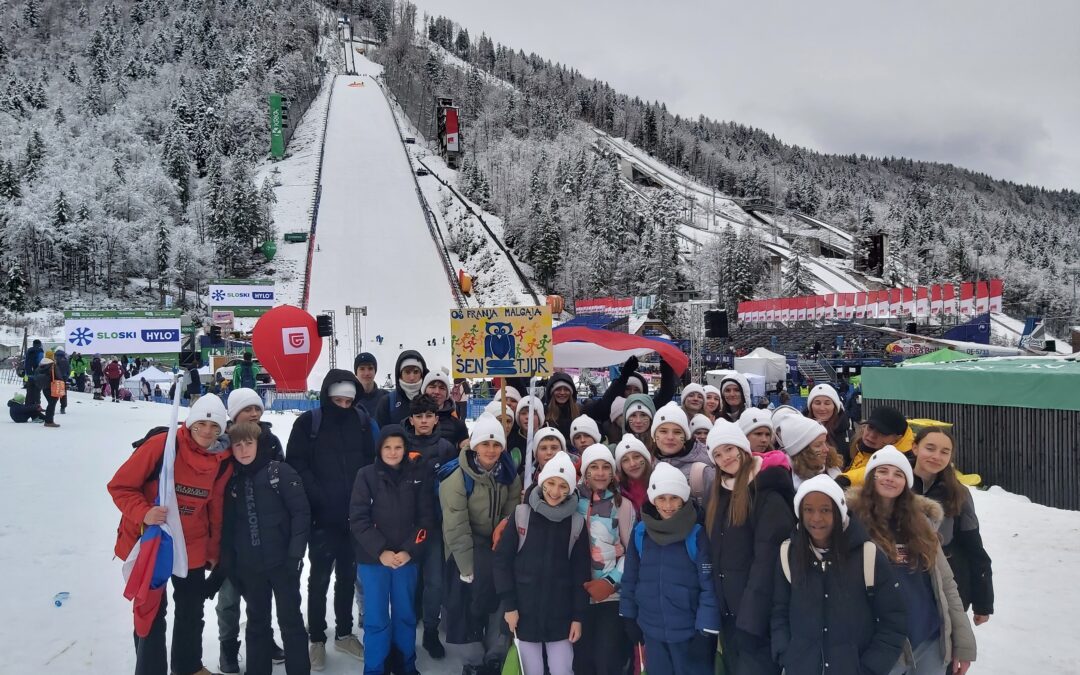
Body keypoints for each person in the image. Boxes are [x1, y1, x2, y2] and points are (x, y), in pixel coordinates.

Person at [108, 395, 233, 675]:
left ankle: (188, 666)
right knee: (151, 608)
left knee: (191, 608)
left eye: (215, 427)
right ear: (190, 423)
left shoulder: (222, 460)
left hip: (193, 544)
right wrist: (144, 512)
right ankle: (150, 668)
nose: (208, 432)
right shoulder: (162, 447)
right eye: (201, 423)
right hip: (153, 540)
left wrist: (213, 550)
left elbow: (215, 507)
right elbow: (120, 486)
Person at [848, 447, 977, 675]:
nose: (890, 478)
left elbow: (946, 584)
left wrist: (963, 644)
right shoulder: (851, 524)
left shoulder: (921, 524)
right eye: (882, 471)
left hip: (929, 641)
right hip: (881, 645)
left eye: (898, 474)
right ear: (870, 477)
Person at [286, 370, 379, 669]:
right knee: (319, 578)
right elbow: (296, 464)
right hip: (321, 517)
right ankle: (316, 638)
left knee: (348, 576)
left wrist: (363, 499)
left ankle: (344, 632)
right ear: (327, 396)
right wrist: (319, 496)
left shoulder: (362, 423)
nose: (342, 405)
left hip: (354, 516)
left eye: (347, 401)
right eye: (337, 399)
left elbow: (370, 463)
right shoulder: (308, 423)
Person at [771, 475, 908, 675]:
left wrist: (870, 668)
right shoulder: (788, 553)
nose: (816, 518)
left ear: (839, 511)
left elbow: (893, 620)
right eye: (808, 510)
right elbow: (779, 611)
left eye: (825, 510)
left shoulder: (867, 555)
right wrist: (786, 654)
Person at [704, 418, 795, 674]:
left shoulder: (767, 493)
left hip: (756, 620)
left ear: (743, 448)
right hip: (731, 616)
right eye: (718, 454)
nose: (725, 458)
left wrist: (751, 619)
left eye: (729, 449)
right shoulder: (719, 492)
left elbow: (767, 561)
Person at [220, 421, 311, 675]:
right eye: (238, 445)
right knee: (257, 623)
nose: (244, 450)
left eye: (249, 443)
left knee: (290, 621)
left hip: (283, 563)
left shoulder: (279, 472)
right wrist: (233, 564)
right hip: (251, 568)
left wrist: (295, 555)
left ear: (258, 444)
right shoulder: (233, 481)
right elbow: (230, 527)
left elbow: (301, 514)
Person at [350, 424, 436, 675]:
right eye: (387, 447)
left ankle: (406, 665)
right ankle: (375, 668)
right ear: (379, 448)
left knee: (405, 617)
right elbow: (358, 519)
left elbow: (426, 520)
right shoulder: (366, 475)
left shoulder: (417, 475)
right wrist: (381, 551)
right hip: (374, 560)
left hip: (406, 560)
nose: (393, 452)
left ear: (405, 448)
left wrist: (409, 550)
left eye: (398, 447)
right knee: (376, 620)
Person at [440, 413, 522, 674]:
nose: (491, 450)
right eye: (485, 444)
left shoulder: (508, 473)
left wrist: (504, 544)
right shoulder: (457, 477)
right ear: (474, 445)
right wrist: (466, 568)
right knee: (469, 601)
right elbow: (455, 525)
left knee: (501, 597)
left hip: (496, 546)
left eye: (496, 444)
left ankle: (496, 653)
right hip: (465, 546)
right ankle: (473, 658)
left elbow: (512, 513)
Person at [494, 451, 589, 675]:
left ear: (571, 489)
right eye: (551, 483)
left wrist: (578, 617)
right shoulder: (521, 515)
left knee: (562, 669)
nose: (555, 492)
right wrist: (509, 605)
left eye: (563, 486)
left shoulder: (576, 523)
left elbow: (580, 575)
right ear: (542, 481)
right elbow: (502, 562)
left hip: (561, 616)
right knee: (530, 670)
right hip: (524, 613)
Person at [620, 463, 720, 675]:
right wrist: (628, 615)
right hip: (652, 631)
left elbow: (709, 586)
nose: (668, 505)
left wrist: (706, 630)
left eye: (674, 498)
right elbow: (630, 578)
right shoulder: (641, 532)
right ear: (653, 500)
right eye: (662, 498)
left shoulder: (696, 533)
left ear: (684, 499)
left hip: (690, 633)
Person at [217, 389, 286, 673]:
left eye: (258, 408)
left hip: (260, 532)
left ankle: (263, 639)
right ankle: (228, 648)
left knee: (259, 595)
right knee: (229, 595)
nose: (255, 414)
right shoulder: (221, 444)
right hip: (228, 530)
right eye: (248, 410)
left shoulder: (270, 442)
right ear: (234, 415)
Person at [912, 428, 994, 625]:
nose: (936, 456)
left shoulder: (959, 493)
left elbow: (974, 548)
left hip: (948, 584)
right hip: (906, 581)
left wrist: (983, 602)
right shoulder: (895, 484)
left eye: (944, 452)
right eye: (930, 448)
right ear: (915, 448)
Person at [404, 395, 458, 660]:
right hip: (406, 527)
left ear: (437, 418)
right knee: (407, 582)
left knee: (435, 582)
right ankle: (404, 630)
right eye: (419, 416)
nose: (424, 421)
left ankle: (431, 630)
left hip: (436, 526)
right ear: (411, 419)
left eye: (429, 416)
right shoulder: (399, 445)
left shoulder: (446, 447)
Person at [574, 444, 635, 675]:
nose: (600, 473)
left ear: (612, 473)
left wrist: (610, 582)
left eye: (605, 467)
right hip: (577, 594)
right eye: (594, 467)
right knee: (582, 660)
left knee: (607, 659)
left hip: (610, 595)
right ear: (585, 472)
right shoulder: (573, 502)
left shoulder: (623, 505)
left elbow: (632, 554)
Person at [652, 403, 713, 506]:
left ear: (686, 436)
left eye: (677, 432)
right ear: (654, 435)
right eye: (663, 431)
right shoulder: (650, 463)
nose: (670, 437)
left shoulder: (704, 469)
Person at [839, 407, 909, 487]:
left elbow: (876, 469)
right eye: (870, 427)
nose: (872, 435)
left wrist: (845, 480)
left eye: (882, 433)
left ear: (897, 438)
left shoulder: (904, 459)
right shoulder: (859, 446)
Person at [776, 415, 843, 489]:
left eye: (825, 442)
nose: (826, 449)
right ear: (801, 452)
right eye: (818, 445)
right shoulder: (785, 480)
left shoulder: (832, 469)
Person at [375, 350, 429, 427]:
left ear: (422, 374)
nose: (412, 377)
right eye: (407, 372)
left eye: (416, 372)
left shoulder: (430, 399)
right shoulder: (388, 402)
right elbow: (381, 434)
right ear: (400, 374)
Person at [805, 383, 853, 466]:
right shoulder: (802, 432)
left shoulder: (848, 435)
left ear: (835, 406)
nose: (822, 408)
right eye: (817, 403)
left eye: (827, 403)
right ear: (811, 406)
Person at [421, 370, 469, 448]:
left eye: (442, 388)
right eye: (432, 387)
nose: (437, 391)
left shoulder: (459, 425)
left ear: (447, 393)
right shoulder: (410, 421)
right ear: (424, 389)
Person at [614, 436, 653, 516]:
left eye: (636, 457)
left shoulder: (660, 482)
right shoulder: (618, 491)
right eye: (625, 460)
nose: (632, 464)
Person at [354, 352, 388, 418]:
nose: (366, 373)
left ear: (375, 371)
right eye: (362, 369)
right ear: (356, 372)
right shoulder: (349, 399)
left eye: (370, 368)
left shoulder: (386, 398)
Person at [34, 356, 61, 428]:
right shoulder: (52, 365)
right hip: (52, 387)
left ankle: (48, 420)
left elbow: (36, 376)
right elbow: (58, 376)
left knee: (50, 403)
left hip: (44, 387)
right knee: (52, 403)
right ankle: (49, 421)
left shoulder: (40, 366)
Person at [23, 339, 44, 405]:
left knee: (29, 390)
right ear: (39, 344)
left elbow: (26, 362)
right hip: (37, 374)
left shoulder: (29, 350)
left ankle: (28, 404)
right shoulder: (40, 351)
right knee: (37, 390)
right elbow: (40, 362)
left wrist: (27, 373)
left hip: (29, 374)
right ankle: (37, 405)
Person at [53, 348, 71, 413]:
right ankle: (63, 408)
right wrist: (66, 377)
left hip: (55, 379)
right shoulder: (66, 360)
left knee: (54, 393)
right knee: (63, 394)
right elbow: (69, 370)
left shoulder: (54, 360)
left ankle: (52, 406)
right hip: (63, 379)